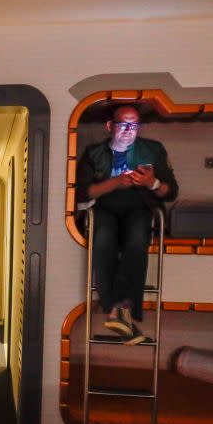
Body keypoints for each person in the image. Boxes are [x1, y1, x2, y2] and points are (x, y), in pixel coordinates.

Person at [75, 104, 179, 345]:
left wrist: (152, 183)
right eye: (123, 124)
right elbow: (82, 193)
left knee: (136, 240)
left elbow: (170, 191)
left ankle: (118, 311)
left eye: (134, 125)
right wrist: (116, 183)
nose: (129, 130)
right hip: (104, 208)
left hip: (139, 207)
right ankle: (119, 312)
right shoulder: (94, 153)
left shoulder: (153, 150)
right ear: (110, 126)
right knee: (102, 238)